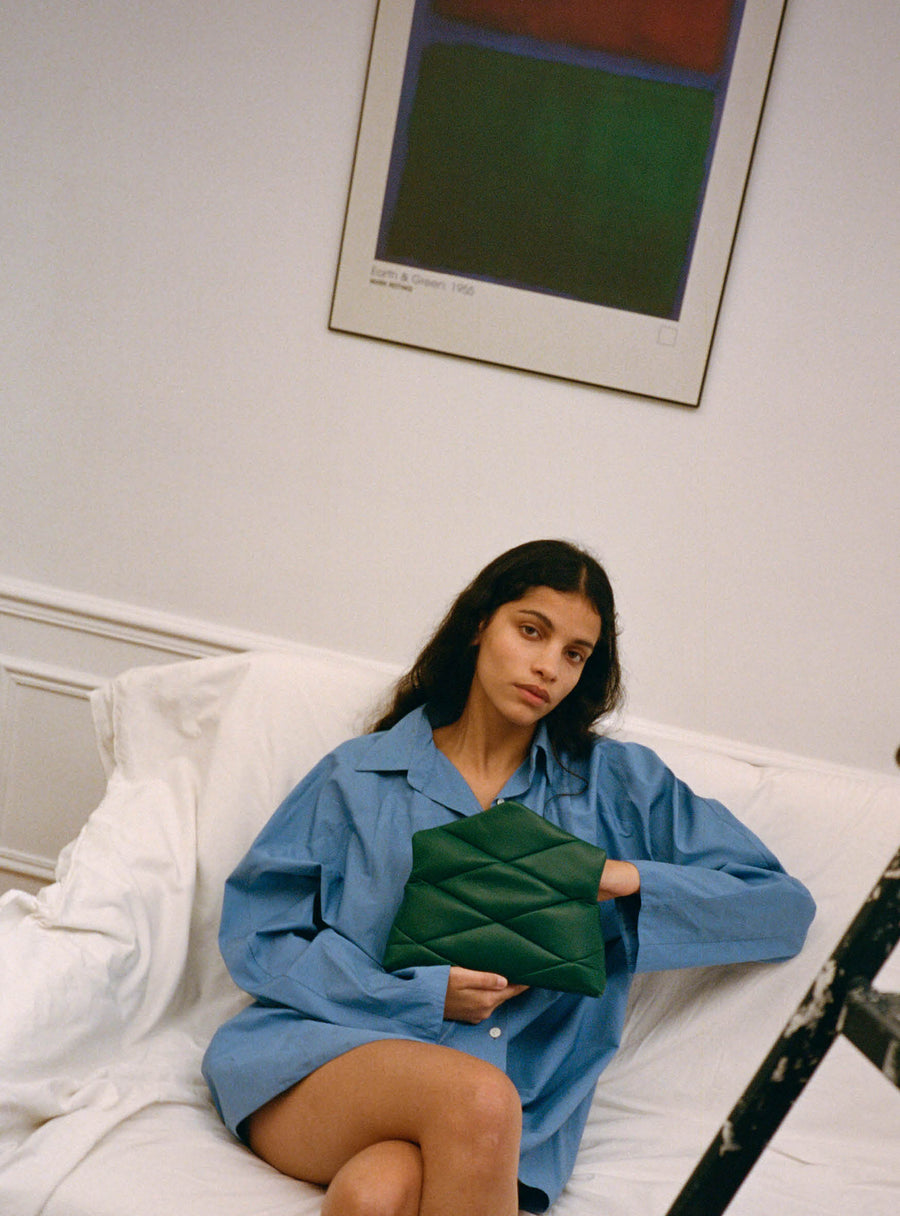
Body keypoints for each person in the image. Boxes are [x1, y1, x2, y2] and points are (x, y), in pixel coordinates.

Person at [202, 539, 815, 1216]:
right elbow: (260, 935)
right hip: (323, 1063)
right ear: (478, 626)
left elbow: (780, 909)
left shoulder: (618, 788)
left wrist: (622, 877)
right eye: (531, 631)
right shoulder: (359, 775)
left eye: (574, 654)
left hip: (508, 1117)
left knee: (377, 1194)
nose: (548, 666)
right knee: (476, 1098)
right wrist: (419, 998)